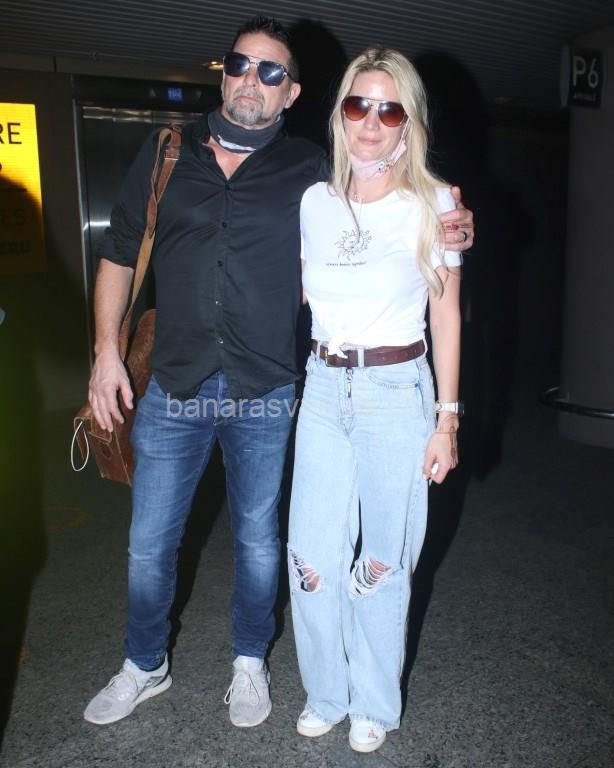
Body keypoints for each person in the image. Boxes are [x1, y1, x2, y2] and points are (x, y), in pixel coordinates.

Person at [83, 18, 474, 729]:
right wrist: (106, 351)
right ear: (223, 72)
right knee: (156, 545)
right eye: (240, 64)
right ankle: (149, 665)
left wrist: (453, 224)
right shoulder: (178, 155)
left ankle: (259, 665)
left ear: (291, 93)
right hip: (182, 381)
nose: (251, 80)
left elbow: (408, 253)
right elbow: (119, 251)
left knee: (272, 544)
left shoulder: (317, 175)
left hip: (275, 387)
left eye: (271, 72)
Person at [288, 48, 462, 753]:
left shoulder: (435, 206)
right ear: (340, 115)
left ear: (407, 124)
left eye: (388, 109)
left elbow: (447, 315)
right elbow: (302, 291)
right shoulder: (315, 203)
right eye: (358, 104)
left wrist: (447, 420)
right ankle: (327, 692)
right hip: (324, 386)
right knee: (310, 557)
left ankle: (374, 704)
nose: (370, 120)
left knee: (383, 562)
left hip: (396, 391)